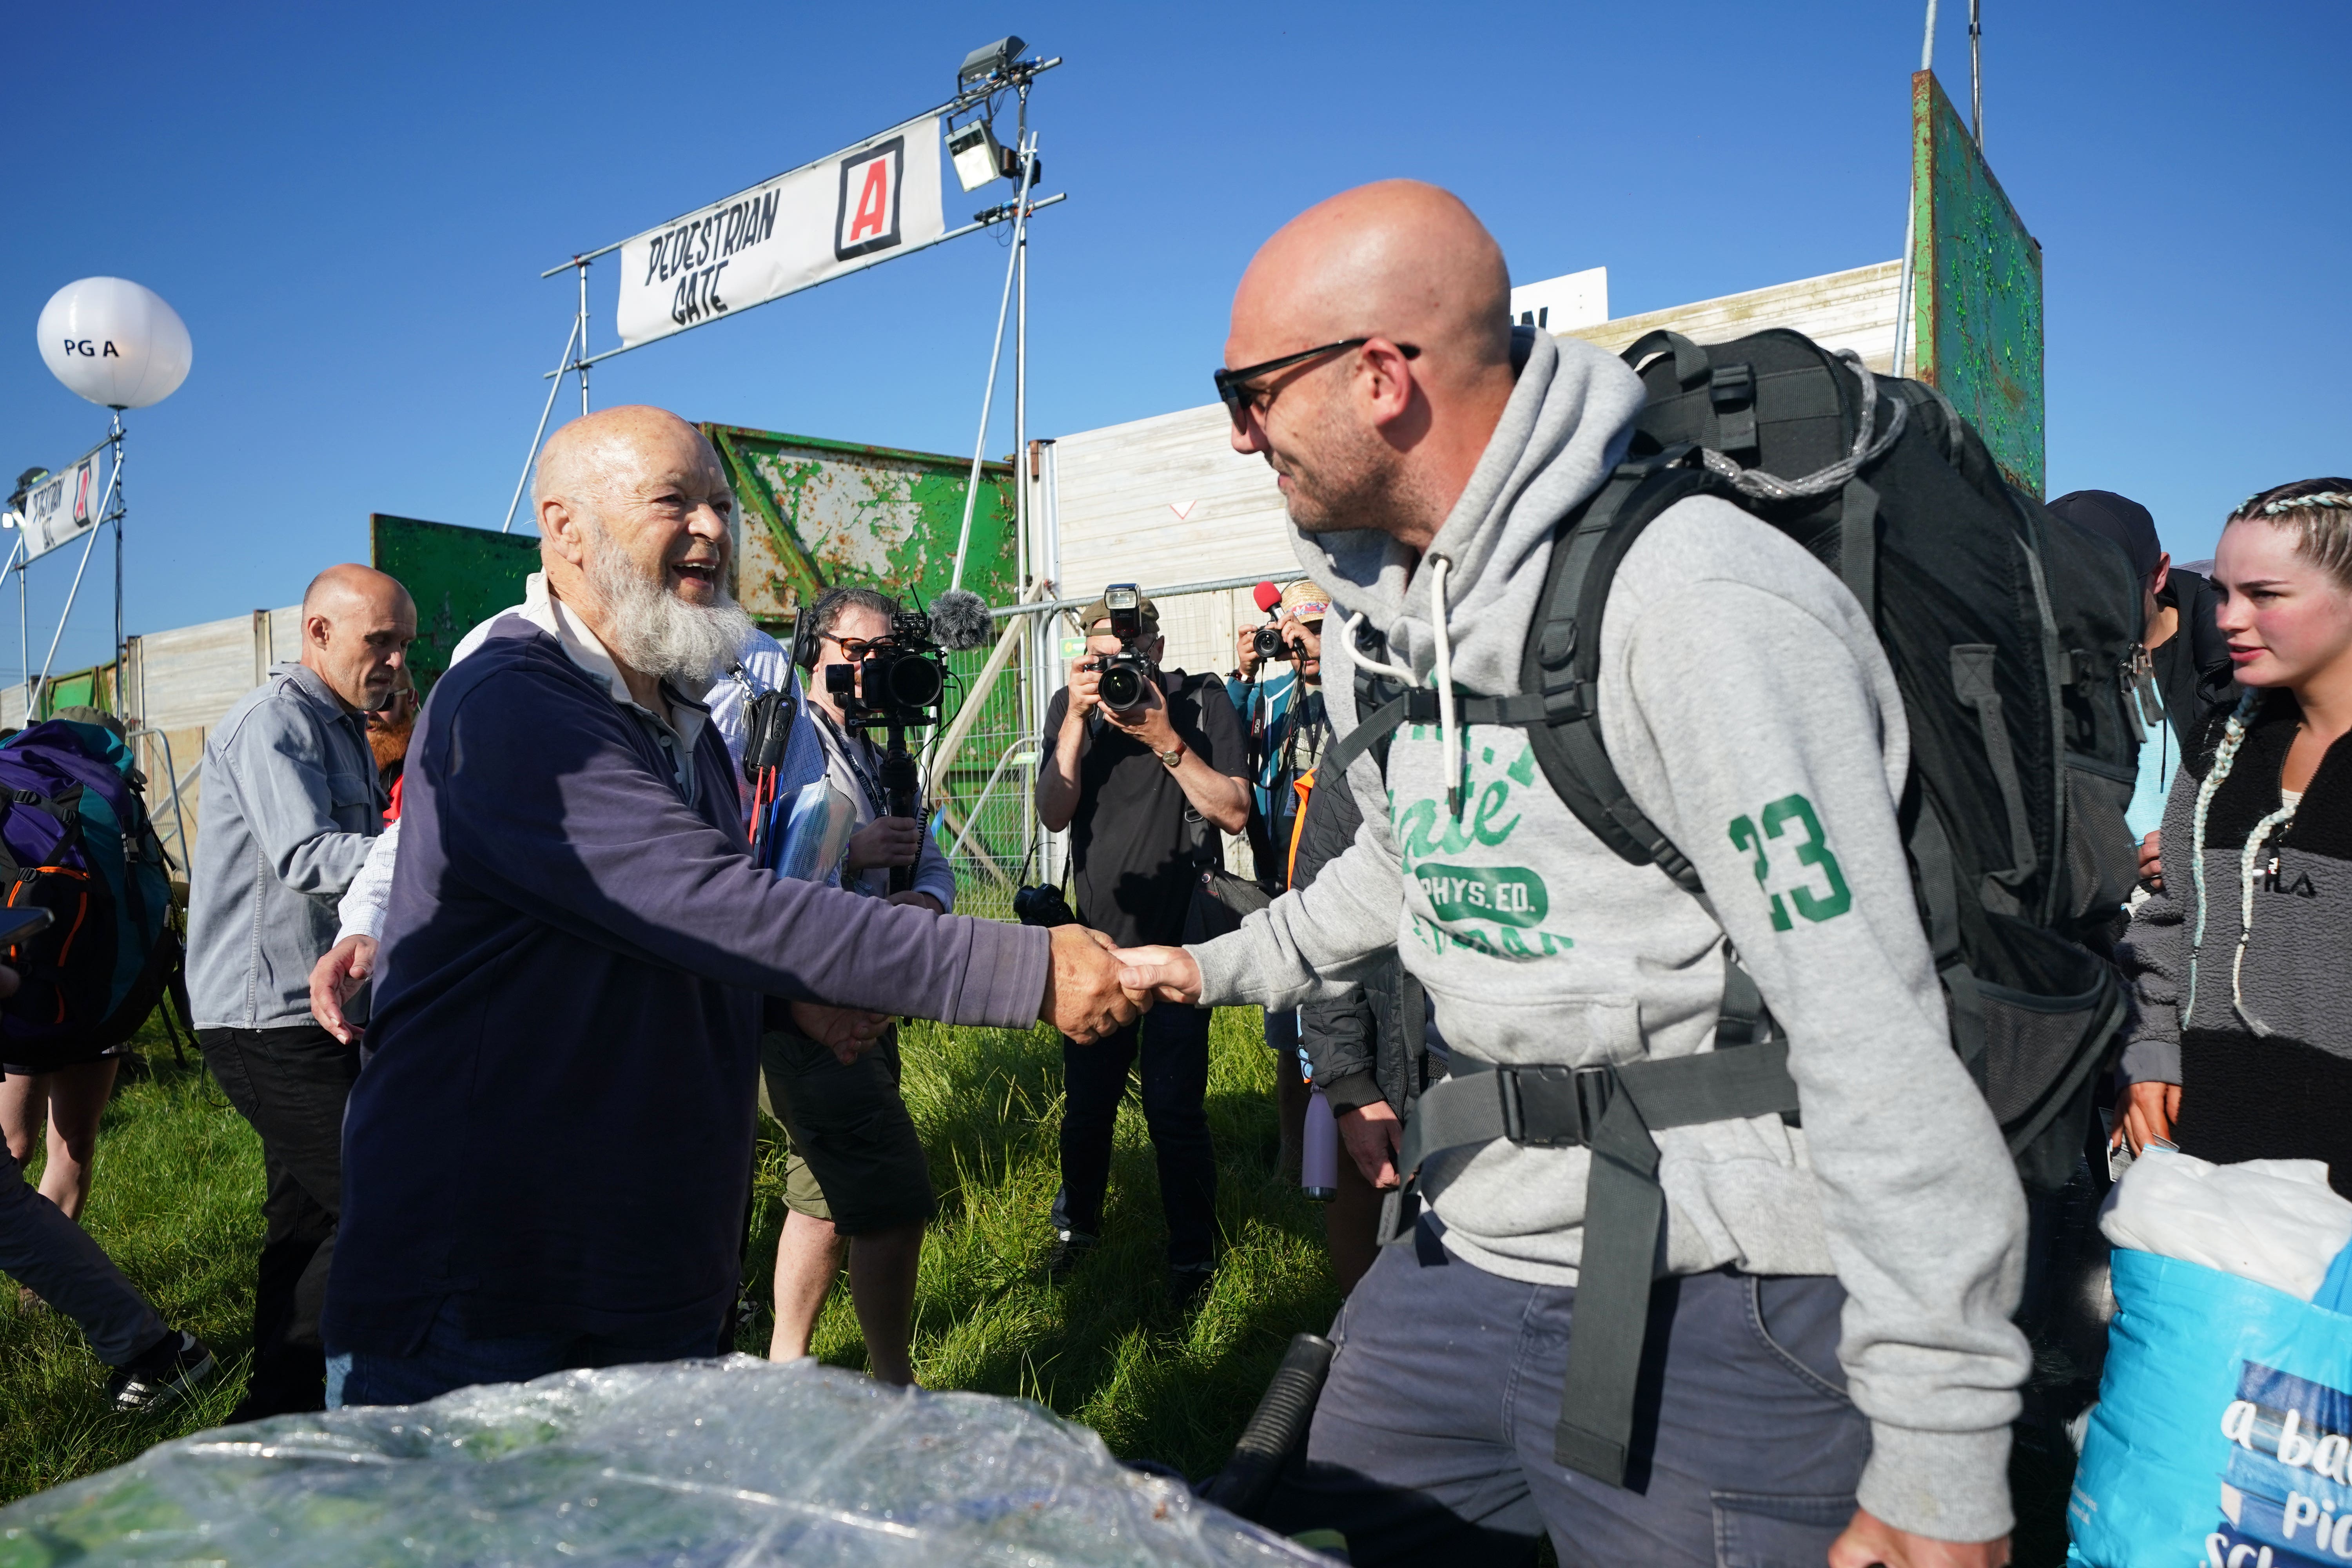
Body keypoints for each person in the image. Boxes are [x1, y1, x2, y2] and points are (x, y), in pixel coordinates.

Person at [1115, 181, 2025, 1567]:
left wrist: (1945, 1458)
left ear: (1379, 378)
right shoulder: (1392, 614)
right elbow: (1407, 878)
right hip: (1458, 1255)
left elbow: (1871, 1026)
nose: (1237, 431)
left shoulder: (1698, 603)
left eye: (1248, 390)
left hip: (1726, 1303)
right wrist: (1201, 967)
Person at [318, 406, 1140, 1406]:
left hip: (648, 1275)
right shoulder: (517, 703)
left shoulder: (679, 716)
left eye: (721, 502)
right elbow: (711, 901)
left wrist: (787, 1005)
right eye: (675, 501)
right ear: (565, 529)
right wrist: (1026, 968)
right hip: (493, 1300)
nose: (712, 528)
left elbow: (657, 938)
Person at [188, 563, 413, 1419]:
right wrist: (433, 849)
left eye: (403, 643)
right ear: (318, 632)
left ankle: (273, 1414)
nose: (394, 660)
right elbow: (311, 857)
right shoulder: (272, 722)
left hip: (323, 1009)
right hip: (265, 1016)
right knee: (380, 1202)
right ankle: (334, 1405)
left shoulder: (345, 722)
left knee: (308, 1223)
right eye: (378, 641)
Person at [2112, 479, 2352, 1194]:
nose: (2230, 619)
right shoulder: (2221, 747)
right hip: (2211, 1160)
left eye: (2265, 595)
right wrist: (2152, 1045)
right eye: (2222, 593)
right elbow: (2170, 917)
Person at [763, 584, 958, 1386]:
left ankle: (785, 1369)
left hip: (867, 997)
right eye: (854, 653)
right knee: (894, 1198)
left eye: (884, 655)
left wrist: (923, 896)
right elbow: (750, 870)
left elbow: (931, 855)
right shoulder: (785, 739)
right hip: (805, 1002)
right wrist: (853, 855)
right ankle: (892, 1386)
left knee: (822, 1199)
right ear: (815, 648)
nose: (869, 671)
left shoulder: (878, 755)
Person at [1035, 589, 1250, 1305]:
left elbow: (1233, 810)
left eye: (1133, 650)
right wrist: (1074, 715)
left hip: (1182, 939)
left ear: (1157, 649)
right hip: (1097, 943)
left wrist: (1163, 736)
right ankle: (1078, 1232)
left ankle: (1192, 1258)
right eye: (1107, 655)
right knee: (1088, 1104)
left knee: (1174, 1106)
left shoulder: (1198, 703)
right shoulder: (1075, 714)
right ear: (1088, 657)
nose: (1121, 667)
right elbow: (1053, 813)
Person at [1, 964, 218, 1412]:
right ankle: (144, 1344)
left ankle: (55, 1299)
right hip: (26, 1005)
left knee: (72, 1144)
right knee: (14, 1154)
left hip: (92, 983)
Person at [1288, 759, 1442, 1296]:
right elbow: (1319, 925)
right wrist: (1350, 1086)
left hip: (1537, 1087)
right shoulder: (1368, 721)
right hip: (1391, 1068)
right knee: (1381, 1299)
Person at [2047, 489, 2236, 889]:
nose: (2085, 614)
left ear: (2159, 572)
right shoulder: (2037, 665)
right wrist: (2120, 867)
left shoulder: (2234, 663)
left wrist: (2209, 852)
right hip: (2098, 922)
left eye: (2109, 592)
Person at [1228, 582, 1330, 1177]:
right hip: (1283, 884)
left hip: (1343, 875)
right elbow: (1228, 743)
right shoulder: (1273, 693)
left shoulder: (1352, 688)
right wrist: (1243, 677)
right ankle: (1293, 1160)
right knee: (1290, 1036)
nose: (1304, 647)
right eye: (1295, 635)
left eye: (1315, 632)